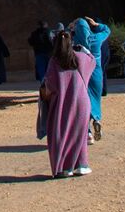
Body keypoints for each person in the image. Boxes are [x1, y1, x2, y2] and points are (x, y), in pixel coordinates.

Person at [41, 31, 95, 178]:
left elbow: (50, 85)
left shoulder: (54, 61)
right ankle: (81, 165)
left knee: (61, 134)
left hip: (62, 103)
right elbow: (92, 60)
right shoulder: (79, 57)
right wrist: (84, 50)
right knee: (79, 134)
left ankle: (64, 168)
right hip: (82, 102)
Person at [71, 18, 110, 141]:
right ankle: (96, 119)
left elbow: (59, 37)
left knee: (82, 103)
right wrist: (96, 24)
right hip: (96, 74)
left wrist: (70, 26)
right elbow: (107, 30)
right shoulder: (96, 38)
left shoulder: (73, 41)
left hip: (81, 74)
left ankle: (87, 133)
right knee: (95, 99)